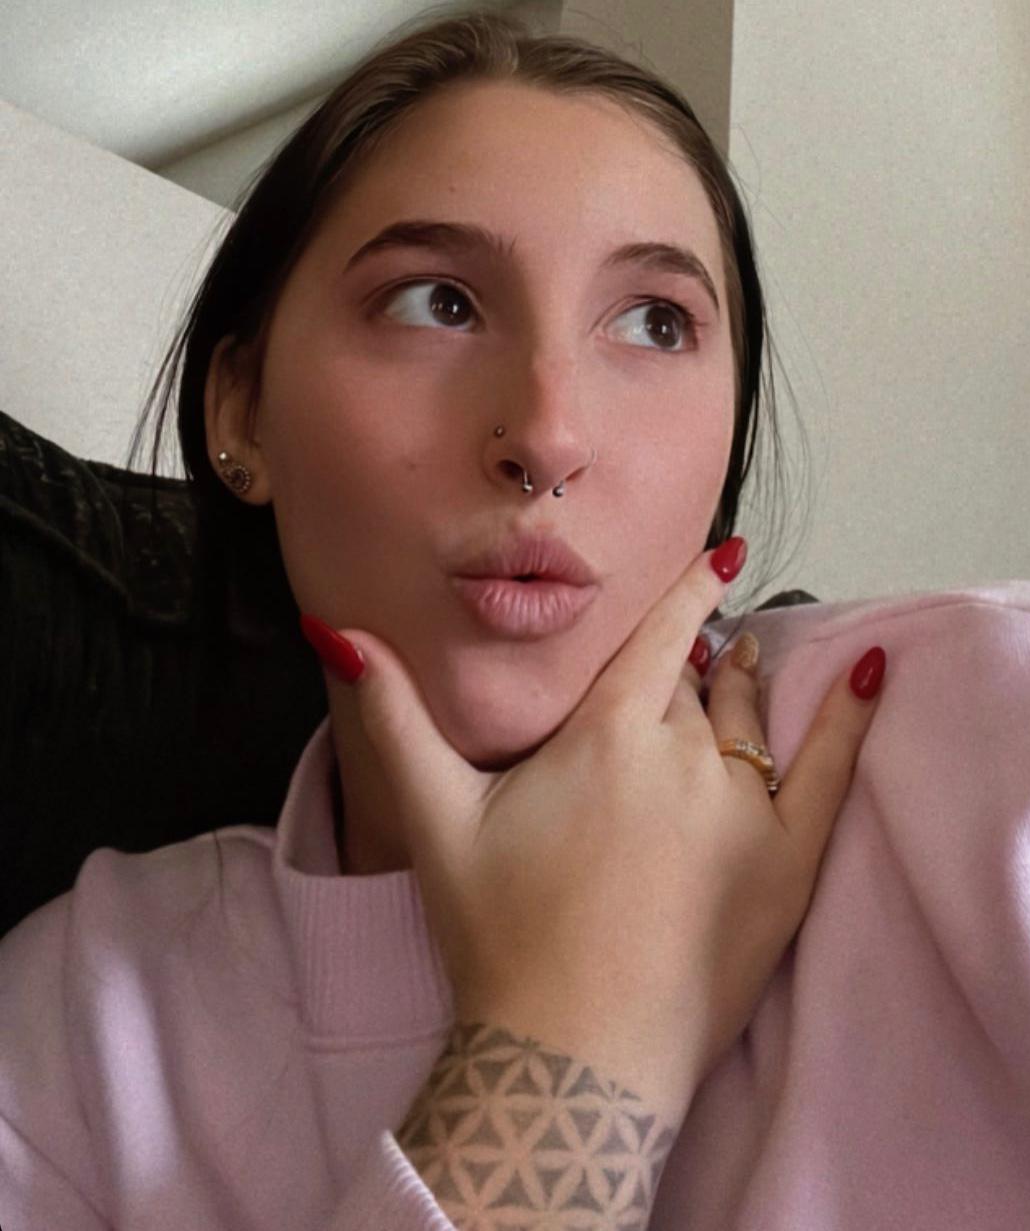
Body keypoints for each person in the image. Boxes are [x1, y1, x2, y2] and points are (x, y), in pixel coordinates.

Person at [0, 7, 887, 1228]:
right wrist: (559, 1080)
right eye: (438, 304)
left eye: (655, 321)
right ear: (241, 409)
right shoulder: (78, 1021)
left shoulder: (1017, 764)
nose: (547, 437)